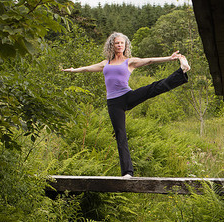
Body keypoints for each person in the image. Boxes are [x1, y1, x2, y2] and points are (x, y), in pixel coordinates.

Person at [62, 31, 190, 178]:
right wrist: (73, 70)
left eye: (122, 43)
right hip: (113, 103)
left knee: (153, 88)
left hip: (127, 96)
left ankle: (182, 72)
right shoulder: (105, 63)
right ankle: (127, 172)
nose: (119, 45)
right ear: (112, 45)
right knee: (120, 134)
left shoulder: (129, 61)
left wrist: (169, 58)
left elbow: (149, 60)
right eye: (117, 43)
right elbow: (86, 68)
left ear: (125, 45)